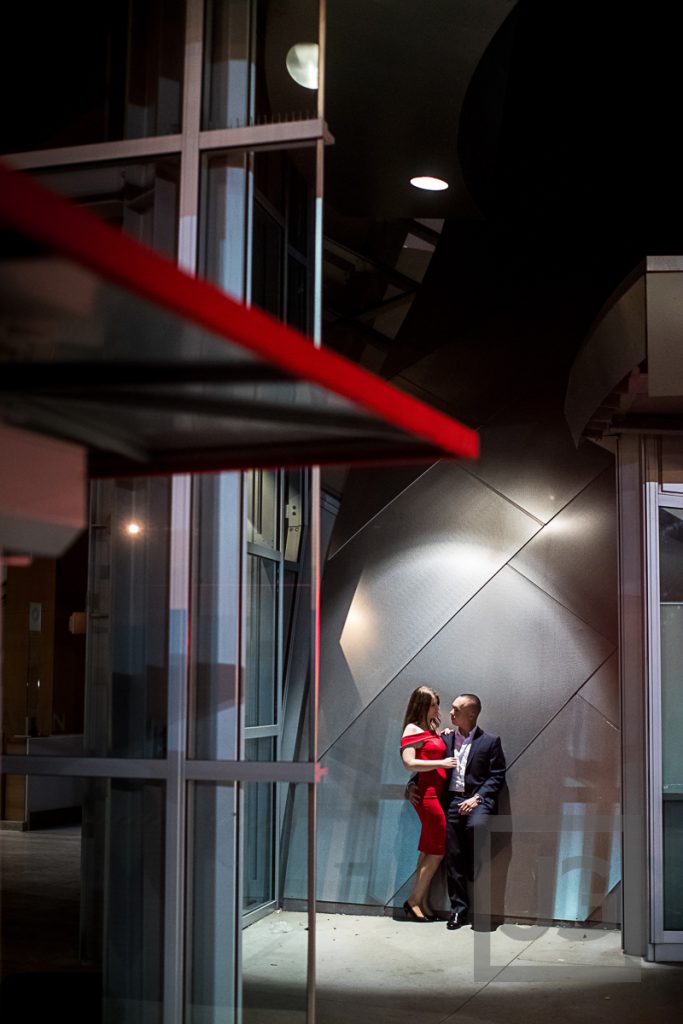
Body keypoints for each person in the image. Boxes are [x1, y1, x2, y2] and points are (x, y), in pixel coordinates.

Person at [407, 693, 506, 930]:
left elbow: (496, 775)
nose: (449, 713)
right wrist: (411, 784)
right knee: (452, 854)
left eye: (455, 709)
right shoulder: (445, 739)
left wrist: (477, 798)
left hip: (477, 800)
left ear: (470, 714)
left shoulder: (490, 741)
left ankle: (471, 862)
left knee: (475, 827)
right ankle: (458, 911)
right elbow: (426, 762)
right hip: (450, 801)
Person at [400, 685, 459, 922]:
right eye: (434, 703)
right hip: (428, 797)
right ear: (423, 704)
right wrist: (442, 763)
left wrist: (440, 738)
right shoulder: (412, 728)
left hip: (434, 795)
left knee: (428, 849)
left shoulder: (429, 730)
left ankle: (421, 901)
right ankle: (413, 900)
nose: (438, 708)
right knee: (437, 850)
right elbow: (409, 763)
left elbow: (427, 753)